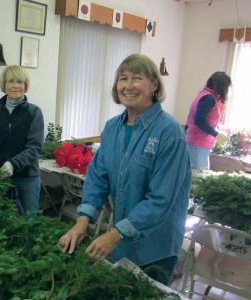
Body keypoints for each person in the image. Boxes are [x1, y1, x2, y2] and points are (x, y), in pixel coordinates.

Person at [59, 54, 191, 285]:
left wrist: (115, 234)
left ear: (154, 85)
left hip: (155, 247)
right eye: (123, 78)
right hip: (122, 242)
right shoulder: (113, 128)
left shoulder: (169, 132)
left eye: (137, 78)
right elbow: (97, 177)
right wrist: (82, 221)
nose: (128, 86)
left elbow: (161, 199)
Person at [0, 65, 44, 214]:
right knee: (0, 221)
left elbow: (35, 148)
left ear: (25, 86)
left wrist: (13, 163)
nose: (15, 86)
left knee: (27, 222)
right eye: (10, 81)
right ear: (4, 85)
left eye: (19, 82)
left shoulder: (34, 112)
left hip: (26, 178)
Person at [186, 72, 231, 171]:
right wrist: (216, 134)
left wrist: (220, 128)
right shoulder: (209, 98)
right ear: (222, 86)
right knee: (199, 179)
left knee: (198, 176)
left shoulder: (205, 95)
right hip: (198, 145)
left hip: (197, 144)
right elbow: (199, 120)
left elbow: (206, 119)